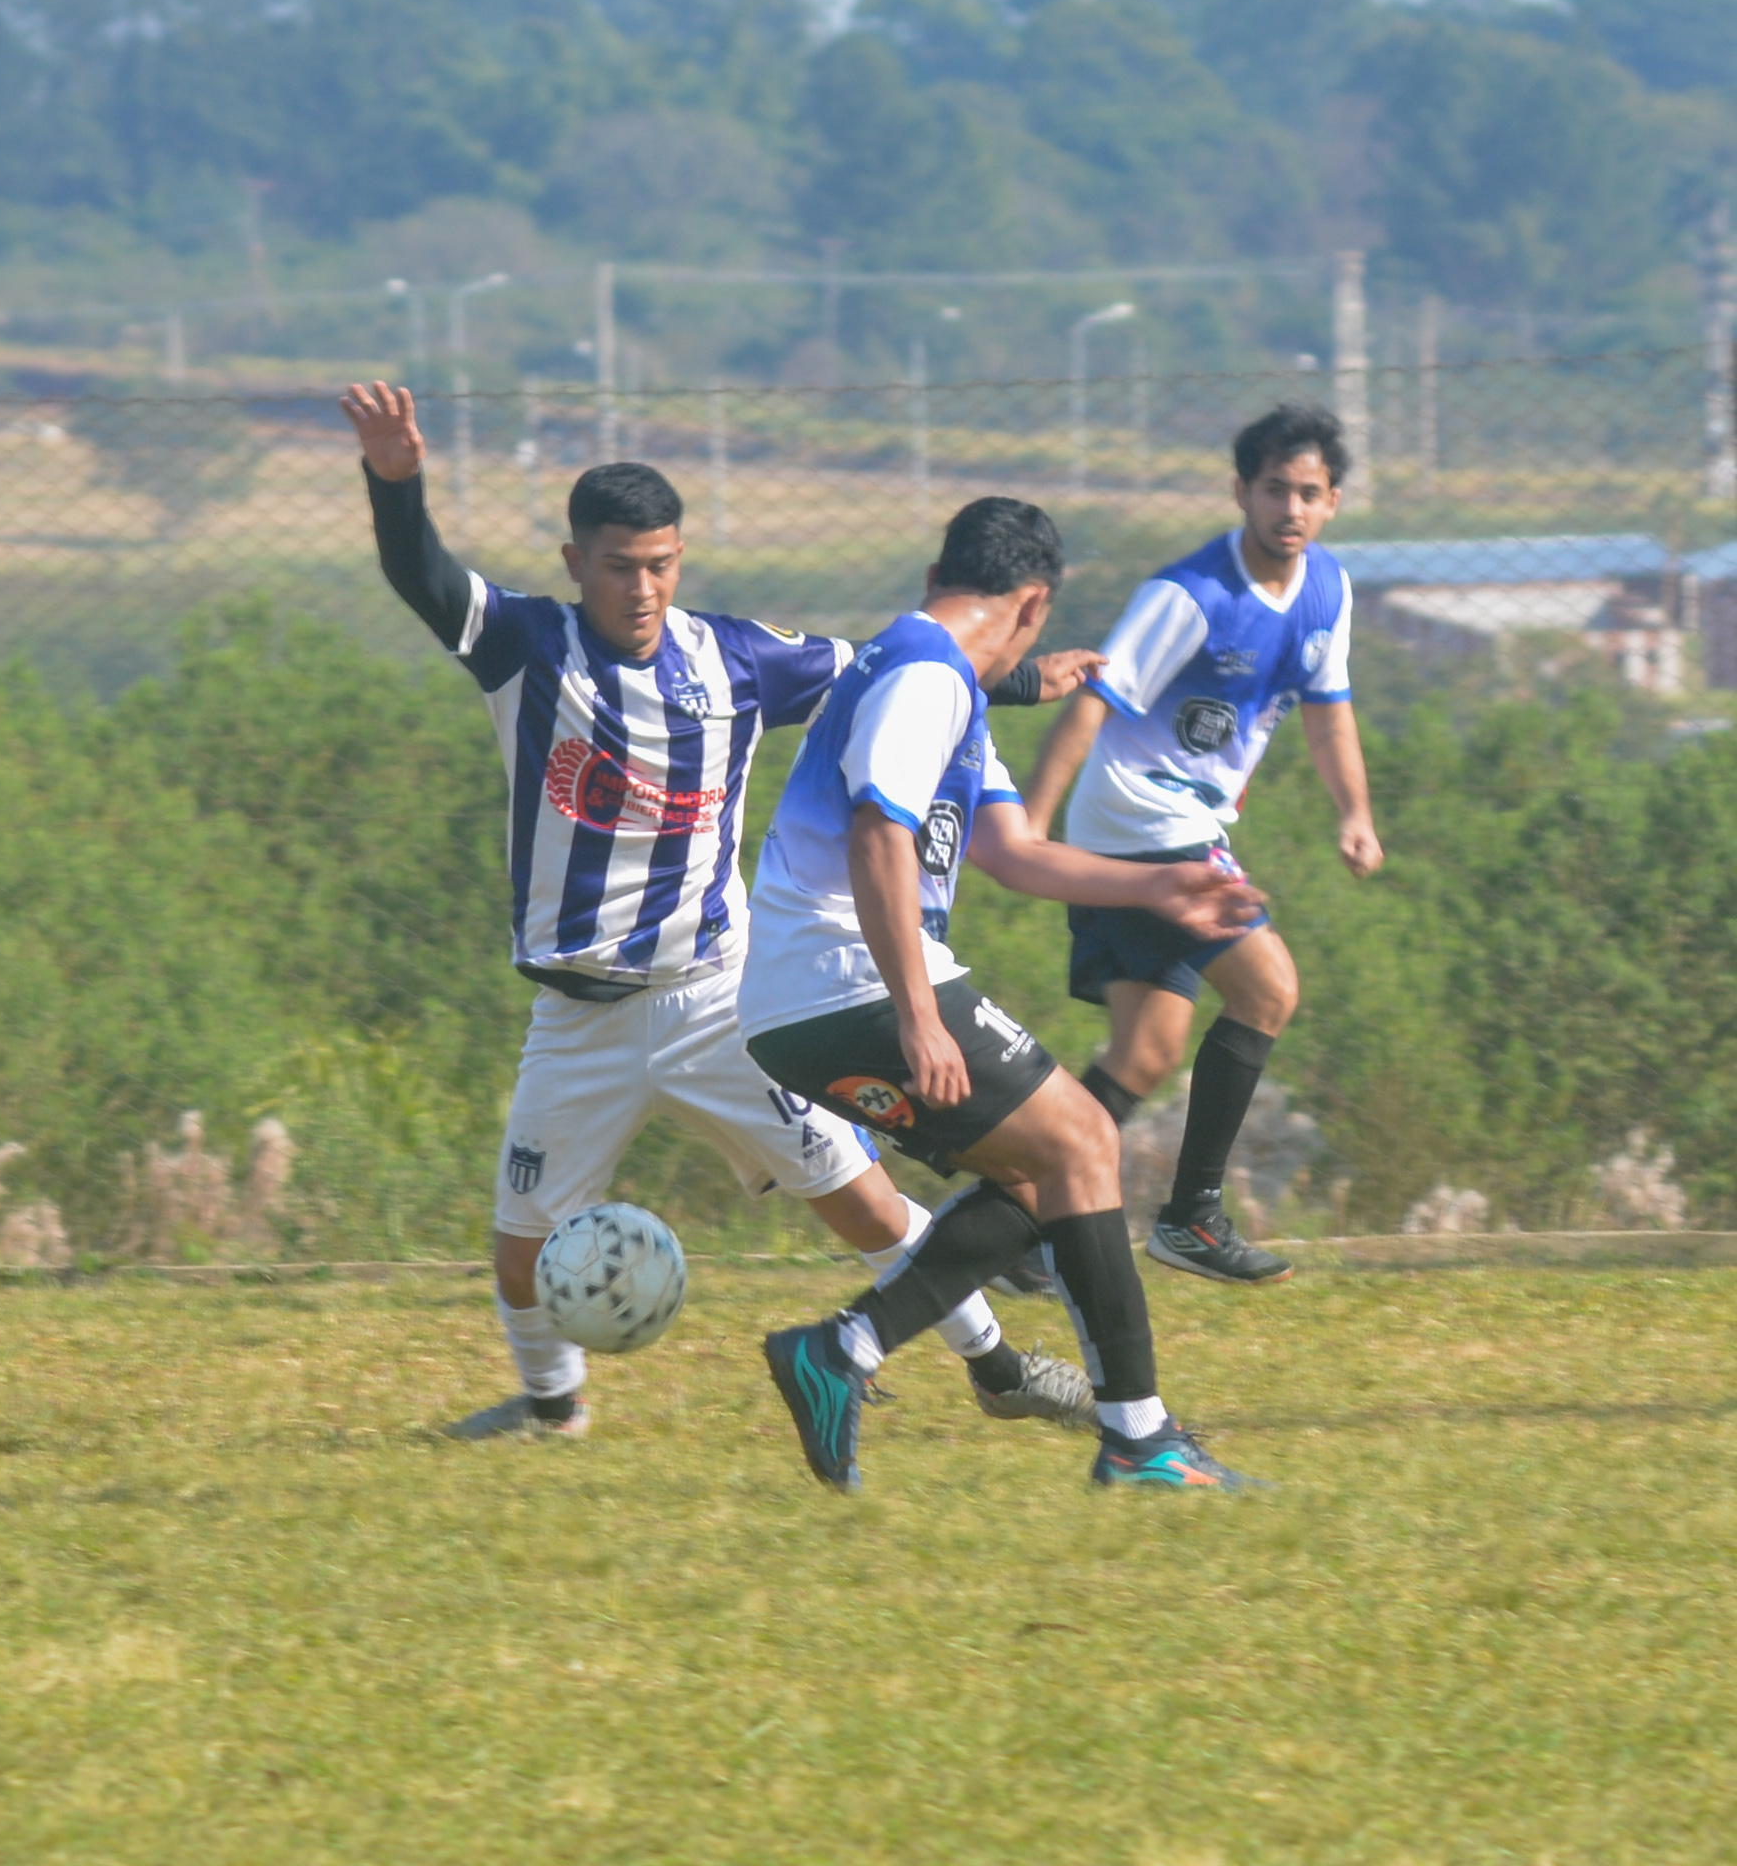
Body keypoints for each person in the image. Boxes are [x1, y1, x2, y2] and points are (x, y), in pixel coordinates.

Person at [339, 379, 1104, 1441]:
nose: (641, 588)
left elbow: (890, 674)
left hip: (716, 1002)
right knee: (520, 1249)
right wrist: (396, 483)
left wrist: (1016, 683)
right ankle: (552, 1409)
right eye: (618, 566)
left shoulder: (737, 658)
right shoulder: (526, 645)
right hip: (578, 1018)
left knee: (862, 1202)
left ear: (680, 560)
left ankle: (1000, 1368)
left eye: (660, 564)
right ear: (575, 564)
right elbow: (421, 575)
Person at [738, 496, 1268, 1492]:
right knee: (1086, 1141)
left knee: (1044, 1178)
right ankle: (1139, 1440)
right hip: (845, 978)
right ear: (1032, 605)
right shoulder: (924, 674)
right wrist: (916, 1013)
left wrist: (1160, 884)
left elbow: (1014, 852)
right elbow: (877, 838)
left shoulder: (945, 687)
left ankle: (841, 1352)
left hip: (809, 996)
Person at [1023, 403, 1383, 1287]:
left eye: (1308, 493)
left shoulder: (1328, 592)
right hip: (1141, 823)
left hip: (1182, 826)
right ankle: (1191, 1218)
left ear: (1333, 502)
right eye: (1274, 490)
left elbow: (1329, 714)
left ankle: (1015, 1226)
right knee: (1269, 989)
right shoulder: (1188, 595)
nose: (1290, 509)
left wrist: (1355, 813)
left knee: (1144, 1055)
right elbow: (1093, 703)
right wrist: (1029, 826)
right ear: (1241, 492)